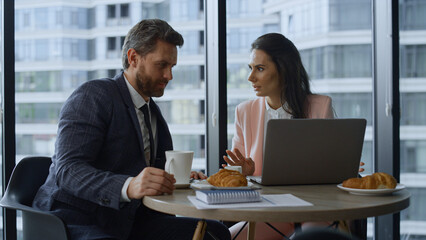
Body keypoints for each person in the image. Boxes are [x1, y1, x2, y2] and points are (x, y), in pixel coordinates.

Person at [32, 19, 231, 240]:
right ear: (133, 58)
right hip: (77, 218)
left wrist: (176, 179)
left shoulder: (152, 113)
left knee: (215, 233)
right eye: (162, 65)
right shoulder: (94, 96)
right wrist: (129, 186)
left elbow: (147, 171)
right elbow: (68, 170)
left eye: (172, 67)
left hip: (127, 221)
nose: (169, 76)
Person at [223, 33, 364, 239]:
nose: (250, 77)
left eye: (260, 69)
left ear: (284, 70)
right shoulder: (244, 111)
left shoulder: (320, 106)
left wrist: (343, 167)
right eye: (251, 68)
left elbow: (330, 172)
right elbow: (233, 176)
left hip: (315, 208)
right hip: (267, 212)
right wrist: (243, 172)